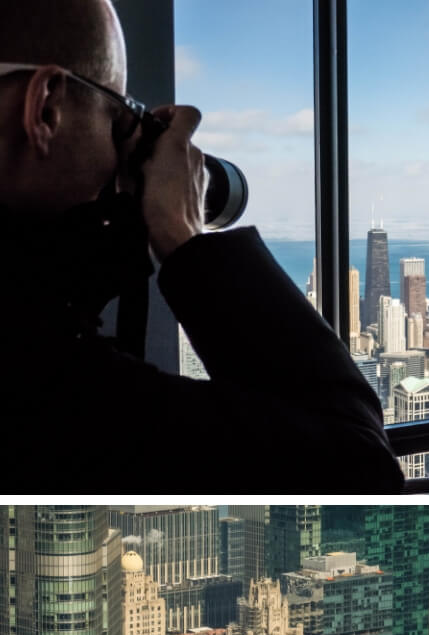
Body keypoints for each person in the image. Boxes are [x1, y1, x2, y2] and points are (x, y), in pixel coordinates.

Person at [0, 0, 404, 491]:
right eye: (118, 115)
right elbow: (360, 465)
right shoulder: (50, 388)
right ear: (45, 107)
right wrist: (184, 234)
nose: (119, 154)